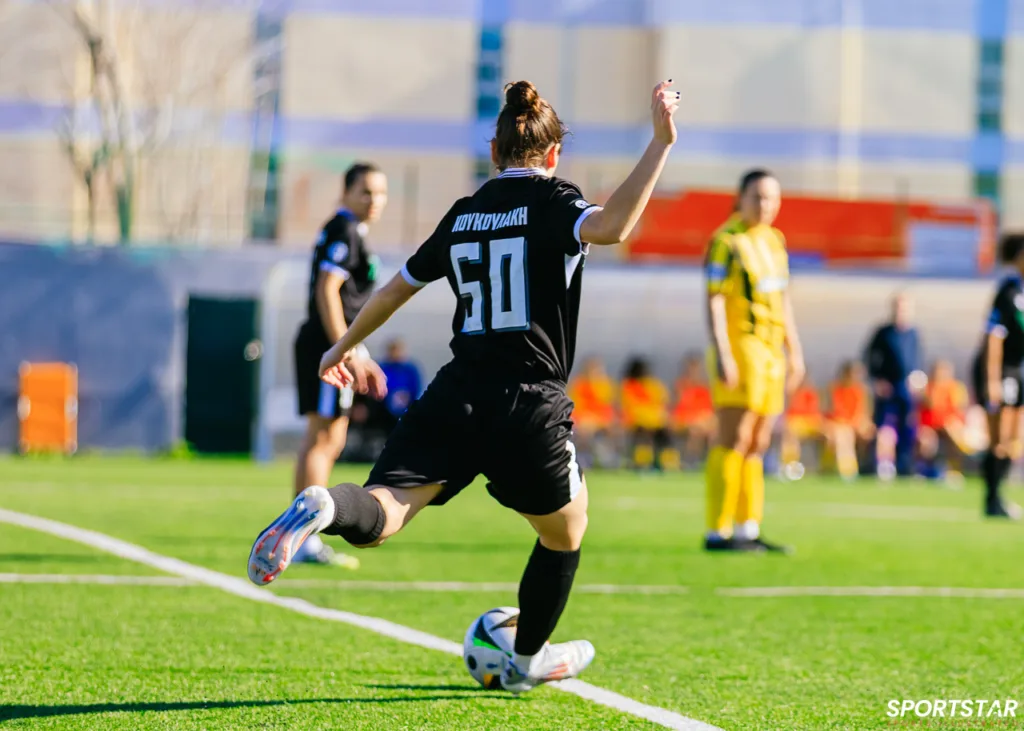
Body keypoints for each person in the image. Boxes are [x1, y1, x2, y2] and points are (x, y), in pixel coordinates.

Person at [248, 79, 681, 692]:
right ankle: (527, 660)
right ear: (553, 154)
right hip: (528, 400)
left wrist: (341, 346)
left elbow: (395, 289)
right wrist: (660, 143)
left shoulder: (465, 212)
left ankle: (326, 505)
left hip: (456, 393)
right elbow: (613, 226)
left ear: (494, 153)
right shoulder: (557, 200)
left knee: (383, 510)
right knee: (566, 531)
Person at [290, 162, 387, 568]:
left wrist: (357, 350)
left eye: (380, 193)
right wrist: (346, 350)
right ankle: (305, 539)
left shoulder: (349, 231)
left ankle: (298, 535)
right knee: (325, 439)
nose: (374, 200)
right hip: (326, 344)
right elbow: (327, 291)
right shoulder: (345, 229)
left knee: (325, 438)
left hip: (329, 343)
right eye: (365, 191)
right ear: (345, 192)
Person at [703, 169, 804, 553]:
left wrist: (795, 350)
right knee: (735, 436)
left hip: (771, 352)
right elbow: (714, 298)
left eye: (772, 198)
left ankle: (748, 528)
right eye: (758, 196)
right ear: (741, 197)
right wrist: (723, 351)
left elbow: (783, 300)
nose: (765, 205)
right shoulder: (726, 242)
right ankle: (717, 531)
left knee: (759, 440)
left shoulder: (775, 241)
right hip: (741, 346)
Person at [970, 233, 1024, 519]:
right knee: (999, 439)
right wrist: (992, 380)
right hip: (1000, 370)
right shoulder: (1008, 292)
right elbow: (993, 337)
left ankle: (998, 497)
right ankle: (992, 499)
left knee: (1014, 440)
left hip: (1016, 369)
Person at [864, 293, 924, 478]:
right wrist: (877, 379)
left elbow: (916, 359)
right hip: (888, 387)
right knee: (883, 427)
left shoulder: (913, 333)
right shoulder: (883, 332)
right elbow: (869, 356)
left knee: (907, 426)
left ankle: (904, 465)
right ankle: (880, 464)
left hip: (906, 387)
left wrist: (916, 378)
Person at [917, 359, 970, 481]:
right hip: (931, 426)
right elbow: (926, 409)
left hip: (948, 425)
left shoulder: (956, 388)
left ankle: (954, 470)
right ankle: (924, 470)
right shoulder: (928, 388)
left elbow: (958, 410)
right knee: (925, 439)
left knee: (954, 434)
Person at [824, 360, 875, 480]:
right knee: (843, 434)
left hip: (854, 424)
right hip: (839, 424)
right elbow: (833, 412)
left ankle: (871, 468)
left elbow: (863, 413)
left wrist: (860, 425)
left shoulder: (861, 390)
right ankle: (847, 470)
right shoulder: (834, 389)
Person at [620, 356, 671, 470]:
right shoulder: (629, 386)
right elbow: (629, 406)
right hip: (637, 421)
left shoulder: (653, 385)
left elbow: (662, 403)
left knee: (664, 437)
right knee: (642, 436)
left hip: (655, 421)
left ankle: (665, 463)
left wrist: (659, 418)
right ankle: (642, 463)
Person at [567, 356, 618, 469]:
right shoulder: (579, 385)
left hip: (601, 421)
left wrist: (603, 421)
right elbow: (576, 407)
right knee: (583, 430)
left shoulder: (605, 386)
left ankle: (609, 459)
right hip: (584, 421)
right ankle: (583, 458)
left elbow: (608, 408)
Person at [670, 352, 716, 469]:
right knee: (695, 430)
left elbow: (709, 409)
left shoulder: (705, 387)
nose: (694, 371)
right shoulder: (681, 386)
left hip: (703, 421)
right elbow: (679, 407)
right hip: (683, 420)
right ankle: (691, 461)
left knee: (713, 430)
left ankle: (710, 461)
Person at [780, 372, 822, 480]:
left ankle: (845, 471)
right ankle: (789, 466)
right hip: (795, 423)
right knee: (790, 433)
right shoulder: (791, 392)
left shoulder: (810, 392)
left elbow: (815, 414)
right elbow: (790, 413)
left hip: (811, 423)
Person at [377, 338, 423, 433]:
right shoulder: (382, 368)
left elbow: (416, 388)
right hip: (384, 410)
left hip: (407, 409)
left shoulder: (410, 369)